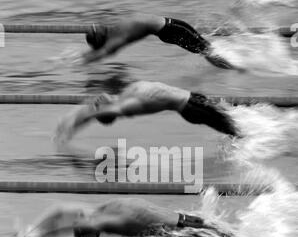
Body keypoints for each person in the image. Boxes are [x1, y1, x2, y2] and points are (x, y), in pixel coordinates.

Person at [16, 196, 246, 237]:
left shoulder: (120, 225)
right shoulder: (92, 212)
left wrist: (42, 235)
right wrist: (36, 232)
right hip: (178, 217)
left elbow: (169, 228)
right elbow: (59, 210)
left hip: (181, 227)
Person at [54, 81, 240, 144]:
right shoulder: (126, 106)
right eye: (97, 104)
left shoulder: (123, 95)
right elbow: (92, 115)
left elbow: (90, 111)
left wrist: (71, 117)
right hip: (193, 107)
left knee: (237, 124)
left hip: (194, 101)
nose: (95, 101)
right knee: (238, 131)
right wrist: (73, 127)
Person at [82, 14, 238, 70]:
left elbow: (106, 51)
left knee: (207, 51)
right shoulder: (117, 30)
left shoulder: (117, 35)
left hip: (171, 28)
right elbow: (108, 50)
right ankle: (235, 68)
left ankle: (235, 67)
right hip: (171, 29)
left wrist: (80, 59)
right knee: (207, 51)